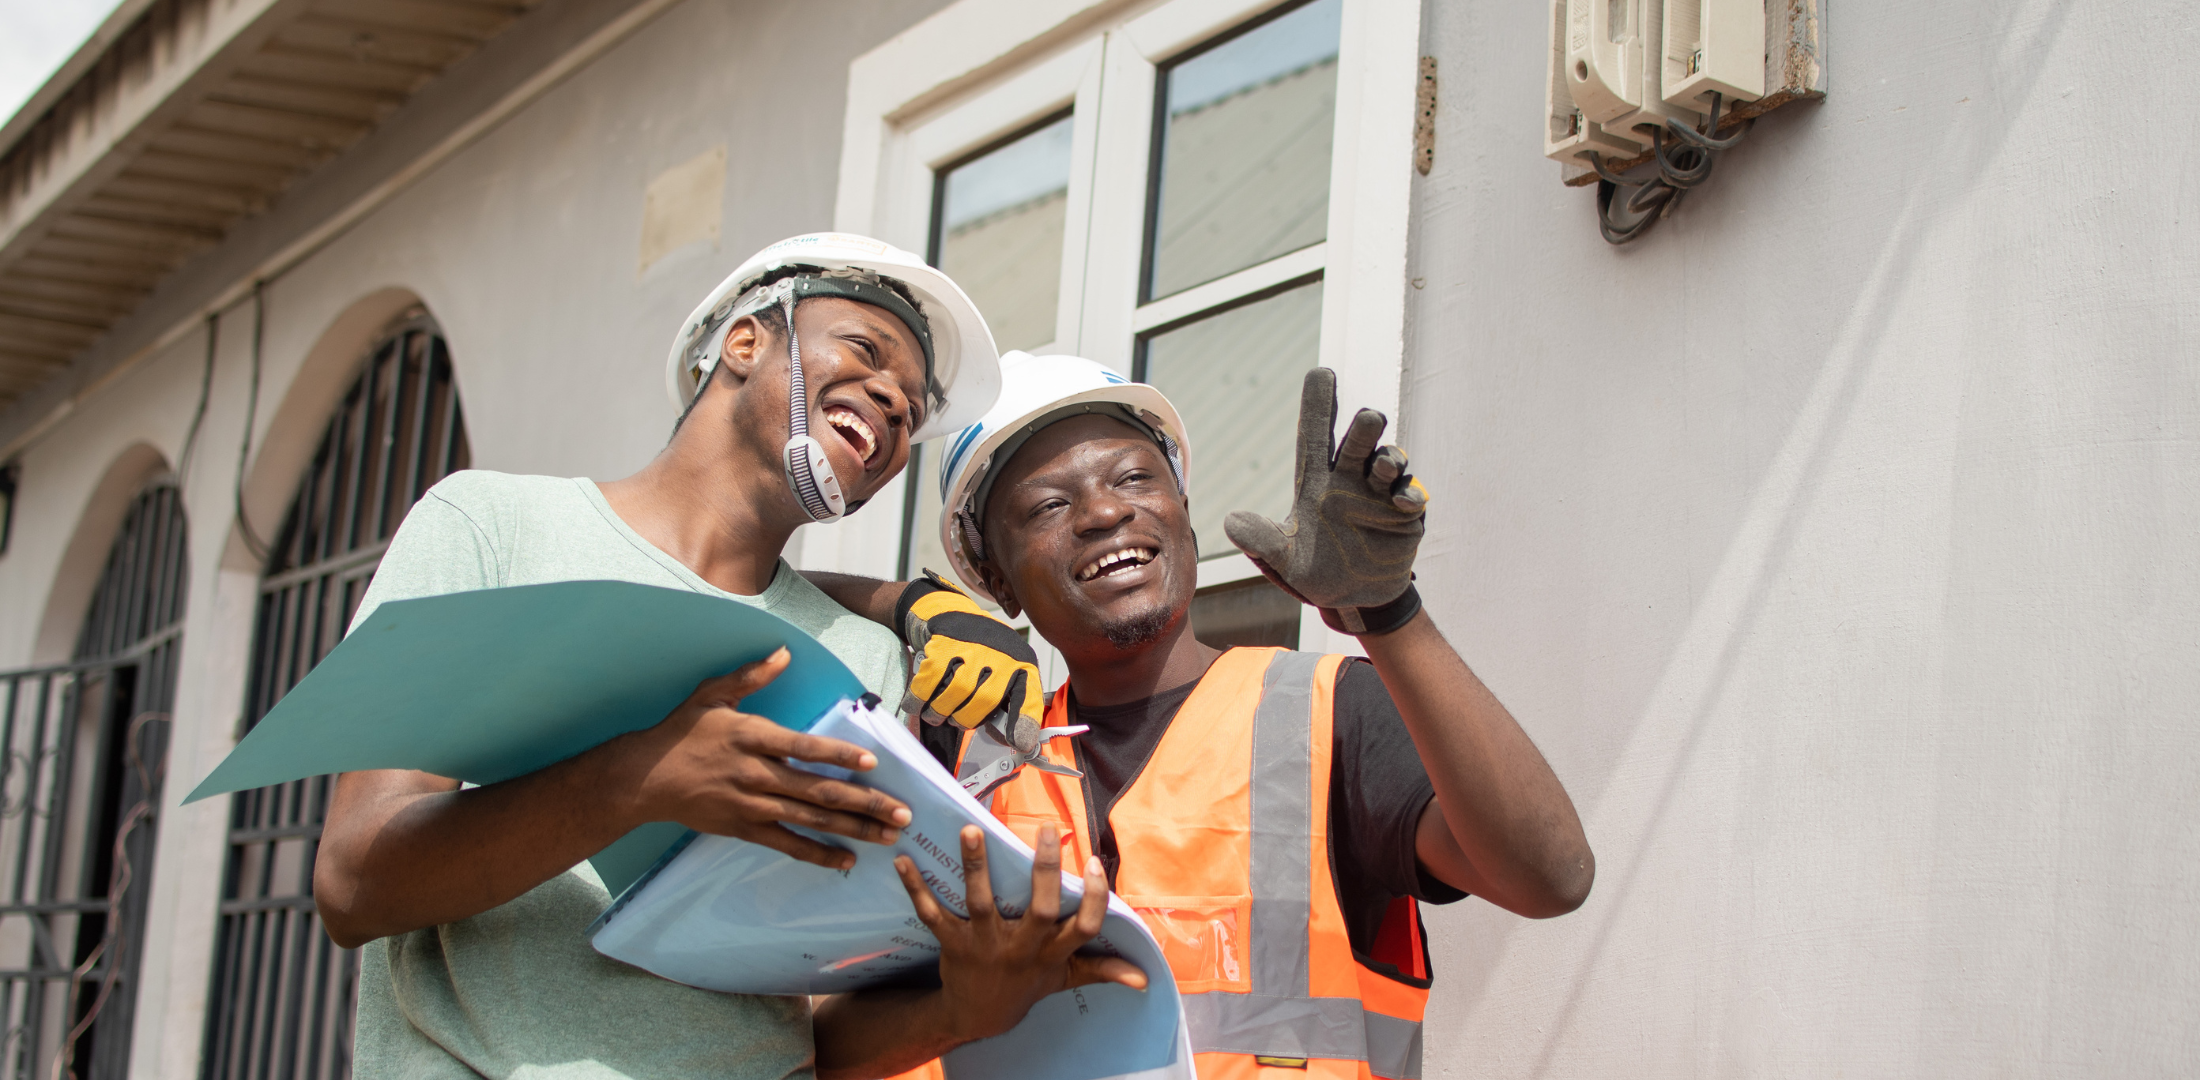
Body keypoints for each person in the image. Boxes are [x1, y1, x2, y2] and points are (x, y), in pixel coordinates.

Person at [313, 237, 1141, 1080]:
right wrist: (634, 783)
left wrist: (965, 1008)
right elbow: (352, 886)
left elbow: (803, 1024)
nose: (894, 399)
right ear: (747, 342)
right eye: (865, 349)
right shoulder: (492, 529)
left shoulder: (868, 661)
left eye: (912, 407)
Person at [809, 353, 1595, 1080]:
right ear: (994, 578)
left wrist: (1389, 611)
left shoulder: (1328, 716)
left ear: (1181, 508)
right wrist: (915, 604)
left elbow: (1551, 877)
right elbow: (751, 594)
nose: (1103, 514)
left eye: (1135, 480)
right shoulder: (957, 758)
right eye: (1049, 505)